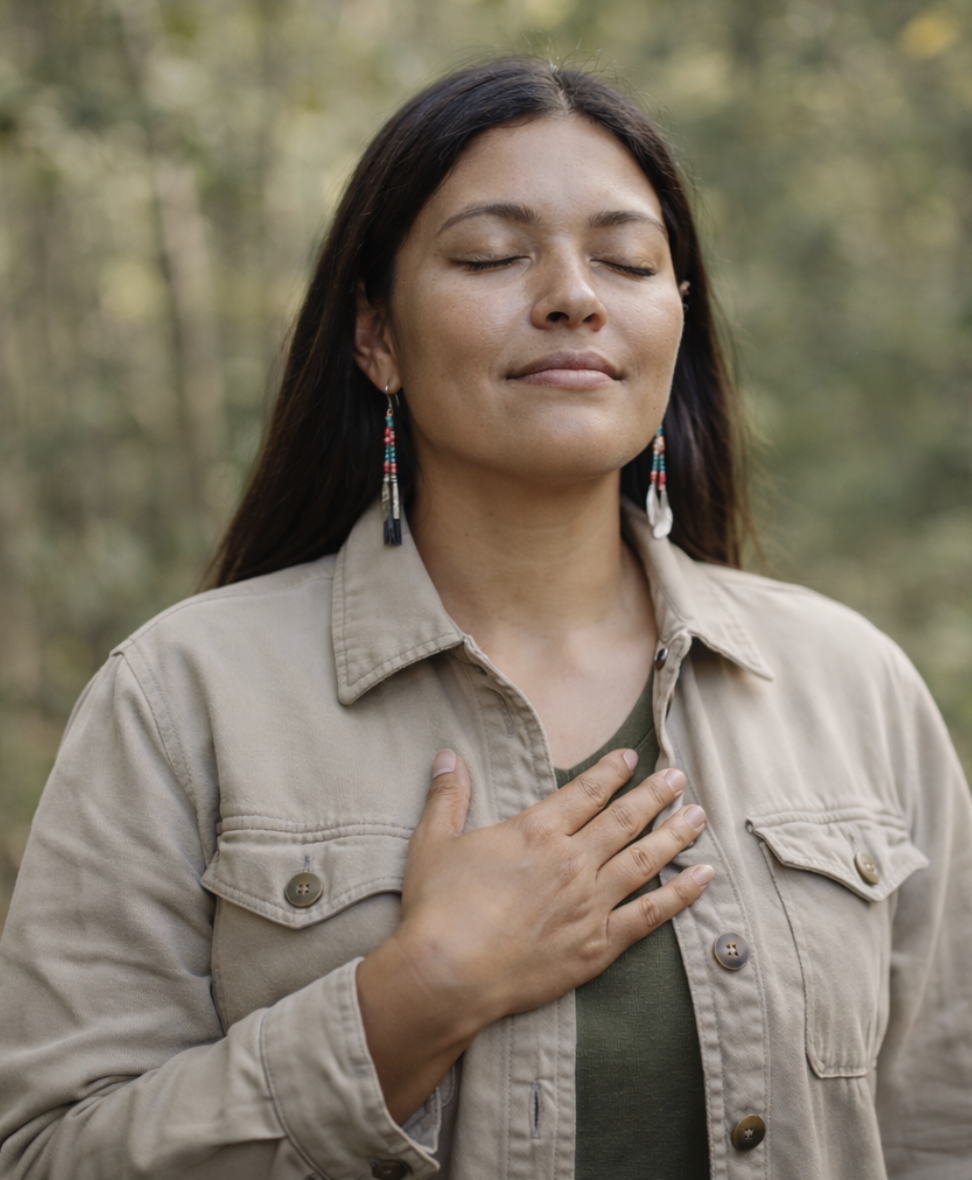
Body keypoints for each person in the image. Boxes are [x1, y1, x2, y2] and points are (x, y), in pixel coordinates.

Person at [1, 56, 970, 1180]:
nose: (574, 295)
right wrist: (413, 999)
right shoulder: (181, 697)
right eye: (492, 256)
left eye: (627, 260)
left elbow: (945, 1130)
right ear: (377, 336)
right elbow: (46, 1155)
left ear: (674, 322)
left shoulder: (851, 685)